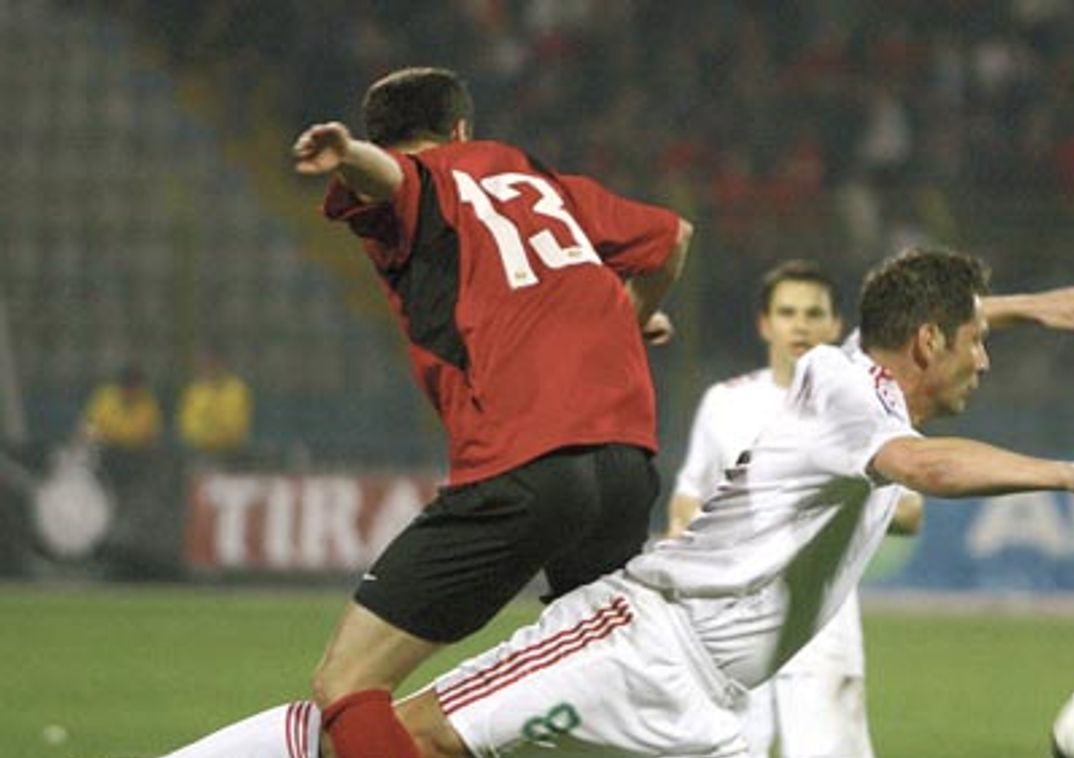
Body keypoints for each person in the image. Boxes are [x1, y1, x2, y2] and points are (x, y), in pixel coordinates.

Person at [166, 247, 1074, 757]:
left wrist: (1025, 305)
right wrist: (1068, 471)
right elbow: (927, 470)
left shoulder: (853, 373)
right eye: (976, 339)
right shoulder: (856, 397)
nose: (986, 355)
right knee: (400, 733)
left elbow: (907, 339)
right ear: (929, 341)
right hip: (639, 640)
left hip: (708, 705)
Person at [166, 66, 694, 758]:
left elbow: (397, 179)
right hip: (626, 467)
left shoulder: (431, 183)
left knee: (346, 683)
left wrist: (347, 154)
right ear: (461, 126)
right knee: (591, 678)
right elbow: (673, 237)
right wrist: (631, 320)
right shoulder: (533, 178)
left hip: (524, 470)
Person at [667, 259, 1074, 757]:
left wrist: (1032, 308)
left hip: (817, 628)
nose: (800, 325)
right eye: (788, 312)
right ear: (764, 323)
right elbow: (689, 495)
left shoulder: (846, 378)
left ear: (837, 326)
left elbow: (921, 322)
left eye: (814, 313)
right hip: (727, 623)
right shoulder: (739, 400)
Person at [176, 348, 252, 464]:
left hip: (230, 455)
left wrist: (212, 433)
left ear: (222, 363)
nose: (207, 367)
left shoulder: (236, 389)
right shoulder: (194, 391)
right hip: (198, 453)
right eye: (203, 363)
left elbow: (235, 427)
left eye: (211, 363)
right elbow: (187, 426)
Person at [80, 364, 162, 451]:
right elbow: (87, 425)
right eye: (129, 386)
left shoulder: (148, 404)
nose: (132, 392)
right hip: (105, 450)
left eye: (136, 387)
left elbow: (153, 437)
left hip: (136, 453)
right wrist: (97, 436)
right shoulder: (105, 397)